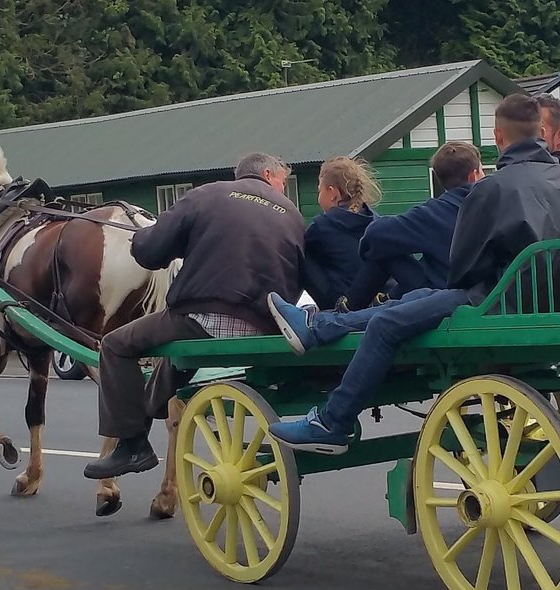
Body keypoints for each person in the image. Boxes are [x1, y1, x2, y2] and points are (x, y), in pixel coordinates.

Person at [265, 94, 560, 454]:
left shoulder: (490, 189)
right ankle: (319, 328)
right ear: (541, 132)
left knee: (391, 323)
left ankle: (332, 421)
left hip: (499, 303)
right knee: (416, 298)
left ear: (498, 137)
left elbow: (464, 268)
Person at [84, 153, 304, 485]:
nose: (281, 190)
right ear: (268, 174)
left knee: (116, 345)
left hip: (205, 319)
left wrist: (141, 239)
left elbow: (150, 251)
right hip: (268, 327)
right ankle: (148, 407)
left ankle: (132, 445)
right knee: (172, 357)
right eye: (282, 182)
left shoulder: (208, 195)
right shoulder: (293, 215)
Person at [339, 141, 485, 311]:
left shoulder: (433, 213)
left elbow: (375, 234)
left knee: (384, 247)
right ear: (473, 176)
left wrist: (365, 250)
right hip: (481, 293)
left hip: (438, 294)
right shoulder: (492, 205)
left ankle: (350, 308)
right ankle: (387, 299)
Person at [301, 157, 381, 310]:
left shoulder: (322, 227)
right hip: (378, 300)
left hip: (341, 302)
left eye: (319, 191)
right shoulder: (376, 221)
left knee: (300, 251)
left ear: (332, 193)